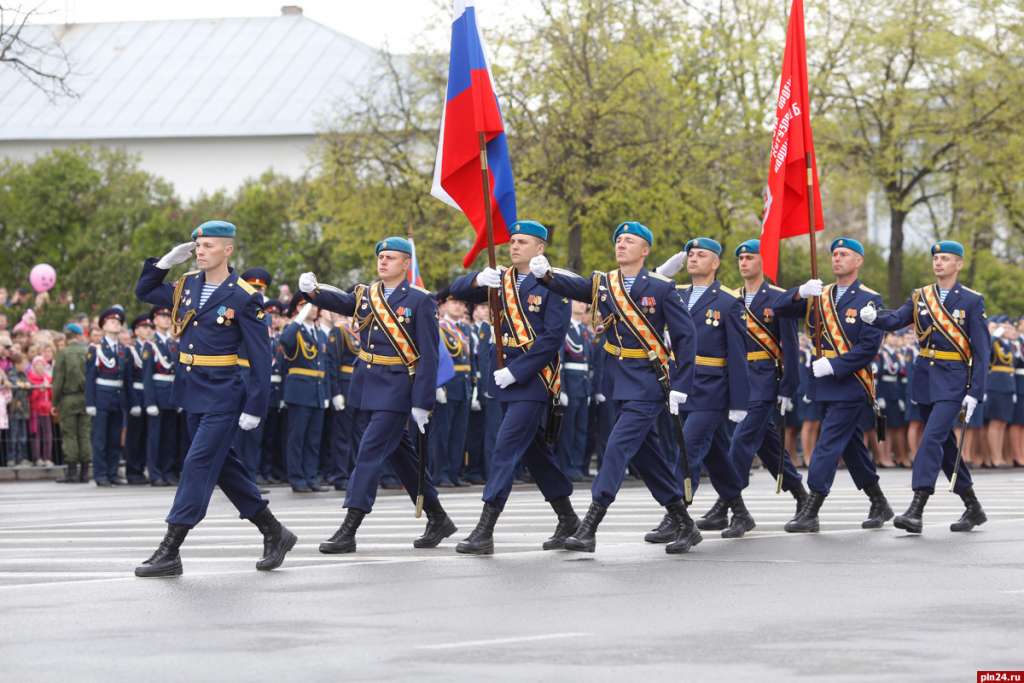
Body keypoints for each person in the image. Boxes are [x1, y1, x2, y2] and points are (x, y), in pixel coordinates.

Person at [133, 220, 296, 577]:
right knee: (224, 468)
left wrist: (255, 405)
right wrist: (164, 263)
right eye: (198, 246)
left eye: (208, 246)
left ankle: (170, 548)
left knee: (198, 464)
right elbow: (144, 291)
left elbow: (260, 355)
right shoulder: (187, 285)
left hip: (224, 393)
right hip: (192, 390)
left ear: (228, 250)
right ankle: (274, 531)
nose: (201, 251)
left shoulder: (244, 295)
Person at [530, 220, 700, 554]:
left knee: (616, 449)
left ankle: (589, 526)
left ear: (645, 250)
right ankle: (685, 523)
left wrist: (683, 383)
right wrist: (547, 277)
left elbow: (686, 336)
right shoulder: (605, 283)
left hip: (649, 382)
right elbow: (577, 287)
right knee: (648, 458)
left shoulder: (662, 287)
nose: (621, 245)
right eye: (618, 240)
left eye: (629, 241)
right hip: (618, 380)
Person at [300, 236, 457, 554]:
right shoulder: (366, 294)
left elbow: (428, 353)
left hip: (398, 389)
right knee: (402, 458)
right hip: (368, 385)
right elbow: (342, 303)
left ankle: (350, 527)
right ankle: (438, 517)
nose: (383, 262)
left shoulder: (419, 300)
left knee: (368, 454)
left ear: (405, 263)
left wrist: (422, 401)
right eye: (381, 257)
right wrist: (313, 292)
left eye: (391, 257)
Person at [447, 220, 577, 555]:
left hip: (531, 380)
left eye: (523, 241)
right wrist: (477, 279)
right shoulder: (499, 279)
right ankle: (568, 518)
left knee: (504, 449)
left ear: (540, 248)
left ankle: (485, 529)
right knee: (535, 453)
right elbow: (456, 292)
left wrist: (518, 371)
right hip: (501, 377)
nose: (514, 246)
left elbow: (551, 339)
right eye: (512, 241)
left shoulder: (552, 283)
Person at [859, 240, 989, 532]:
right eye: (936, 258)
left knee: (930, 439)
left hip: (954, 380)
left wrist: (974, 393)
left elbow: (982, 352)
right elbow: (895, 320)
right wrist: (874, 317)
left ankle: (917, 507)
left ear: (958, 264)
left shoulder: (970, 300)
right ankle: (972, 506)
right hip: (926, 379)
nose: (939, 263)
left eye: (945, 258)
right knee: (944, 446)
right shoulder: (921, 296)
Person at [773, 237, 894, 532]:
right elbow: (778, 308)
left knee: (827, 444)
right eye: (835, 254)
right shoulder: (820, 294)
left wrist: (835, 365)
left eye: (844, 254)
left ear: (858, 261)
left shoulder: (868, 299)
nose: (837, 258)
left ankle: (811, 507)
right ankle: (879, 501)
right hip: (822, 382)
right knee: (851, 447)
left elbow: (868, 347)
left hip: (850, 383)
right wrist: (799, 292)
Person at [691, 239, 808, 538]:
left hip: (766, 378)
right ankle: (801, 496)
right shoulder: (732, 298)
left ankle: (727, 505)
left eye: (750, 257)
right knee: (768, 447)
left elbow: (790, 348)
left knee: (740, 442)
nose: (744, 262)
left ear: (763, 261)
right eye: (740, 257)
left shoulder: (779, 298)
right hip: (741, 380)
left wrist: (788, 387)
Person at [646, 236, 751, 540]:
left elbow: (737, 354)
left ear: (715, 262)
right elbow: (645, 296)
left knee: (687, 449)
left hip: (712, 388)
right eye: (690, 254)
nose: (693, 259)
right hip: (681, 384)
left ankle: (675, 514)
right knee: (716, 455)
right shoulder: (674, 292)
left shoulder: (729, 301)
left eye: (701, 255)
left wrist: (739, 401)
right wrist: (660, 272)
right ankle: (740, 511)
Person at [279, 294, 330, 492]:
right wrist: (299, 318)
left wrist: (325, 393)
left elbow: (323, 364)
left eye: (315, 305)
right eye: (307, 305)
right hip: (300, 390)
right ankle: (297, 478)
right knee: (297, 438)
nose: (313, 309)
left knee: (313, 439)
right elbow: (285, 340)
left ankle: (311, 477)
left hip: (317, 390)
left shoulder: (319, 333)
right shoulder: (295, 330)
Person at [85, 307, 131, 486]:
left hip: (118, 399)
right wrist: (90, 402)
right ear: (103, 326)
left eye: (118, 322)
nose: (116, 323)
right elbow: (90, 377)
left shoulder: (123, 350)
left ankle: (112, 473)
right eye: (112, 321)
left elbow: (126, 380)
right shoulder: (95, 349)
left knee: (114, 438)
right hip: (101, 398)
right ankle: (100, 474)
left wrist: (129, 403)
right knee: (100, 439)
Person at [432, 295, 474, 486]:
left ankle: (454, 472)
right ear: (445, 305)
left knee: (459, 432)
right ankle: (440, 473)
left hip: (463, 385)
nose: (458, 307)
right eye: (454, 303)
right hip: (447, 384)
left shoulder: (464, 328)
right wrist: (437, 385)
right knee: (442, 432)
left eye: (461, 303)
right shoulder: (439, 327)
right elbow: (434, 357)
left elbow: (469, 360)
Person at [556, 300, 593, 482]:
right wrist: (561, 389)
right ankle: (567, 466)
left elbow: (588, 363)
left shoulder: (584, 331)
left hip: (583, 386)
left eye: (582, 302)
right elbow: (560, 361)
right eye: (577, 301)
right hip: (570, 386)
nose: (581, 305)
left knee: (581, 429)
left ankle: (578, 466)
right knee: (568, 430)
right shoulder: (565, 328)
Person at [53, 323, 91, 483]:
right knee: (84, 433)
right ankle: (84, 472)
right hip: (86, 397)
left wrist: (55, 401)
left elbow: (58, 380)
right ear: (78, 335)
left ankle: (71, 472)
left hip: (68, 398)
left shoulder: (63, 354)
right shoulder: (87, 351)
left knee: (70, 435)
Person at [124, 313, 158, 485]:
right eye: (144, 327)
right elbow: (128, 379)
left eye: (150, 327)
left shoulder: (152, 347)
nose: (148, 330)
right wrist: (132, 402)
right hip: (136, 395)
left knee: (147, 434)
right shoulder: (130, 350)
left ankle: (142, 468)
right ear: (136, 331)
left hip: (150, 396)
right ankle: (133, 471)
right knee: (134, 436)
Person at [148, 306, 180, 486]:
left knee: (170, 437)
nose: (167, 319)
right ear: (155, 320)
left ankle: (168, 471)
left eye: (169, 316)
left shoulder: (173, 344)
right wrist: (150, 401)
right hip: (158, 395)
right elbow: (147, 376)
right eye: (162, 316)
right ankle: (155, 473)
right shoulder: (151, 345)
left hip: (172, 394)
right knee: (155, 438)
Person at [27, 354, 54, 467]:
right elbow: (30, 398)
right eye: (37, 365)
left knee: (48, 435)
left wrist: (48, 389)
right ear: (34, 366)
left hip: (46, 410)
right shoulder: (30, 378)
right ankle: (37, 458)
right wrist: (39, 390)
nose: (40, 367)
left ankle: (47, 458)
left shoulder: (48, 378)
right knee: (36, 434)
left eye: (42, 365)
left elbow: (52, 395)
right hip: (35, 410)